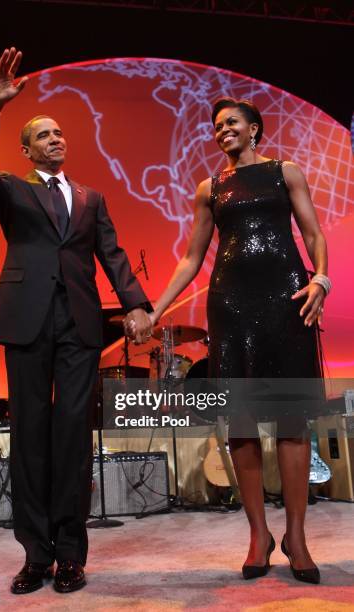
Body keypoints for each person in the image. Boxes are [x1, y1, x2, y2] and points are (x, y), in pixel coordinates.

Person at [0, 48, 153, 595]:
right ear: (26, 148)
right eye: (43, 135)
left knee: (71, 437)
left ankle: (71, 555)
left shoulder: (92, 197)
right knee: (30, 437)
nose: (55, 139)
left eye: (59, 133)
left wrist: (135, 303)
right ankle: (34, 554)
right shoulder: (11, 189)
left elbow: (112, 256)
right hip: (26, 322)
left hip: (79, 326)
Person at [128, 97, 329, 584]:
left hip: (287, 301)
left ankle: (296, 537)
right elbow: (190, 259)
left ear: (255, 128)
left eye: (231, 123)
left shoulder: (287, 171)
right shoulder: (210, 187)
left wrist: (321, 278)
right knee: (240, 421)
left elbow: (313, 233)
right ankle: (258, 534)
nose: (222, 131)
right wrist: (155, 309)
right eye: (217, 127)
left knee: (291, 420)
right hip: (231, 309)